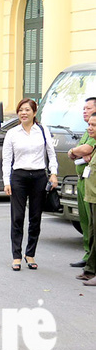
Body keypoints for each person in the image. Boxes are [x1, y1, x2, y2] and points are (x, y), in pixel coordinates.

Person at [2, 98, 58, 271]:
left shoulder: (42, 130)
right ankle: (16, 256)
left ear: (34, 112)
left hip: (39, 177)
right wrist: (6, 181)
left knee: (35, 218)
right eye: (20, 110)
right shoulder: (12, 133)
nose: (23, 113)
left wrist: (54, 173)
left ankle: (30, 253)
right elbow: (6, 159)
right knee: (17, 217)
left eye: (27, 110)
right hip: (19, 177)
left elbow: (51, 153)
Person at [68, 97, 96, 268]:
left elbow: (86, 149)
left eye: (88, 108)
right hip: (82, 179)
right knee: (85, 221)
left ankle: (91, 260)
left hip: (91, 182)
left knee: (92, 223)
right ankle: (88, 255)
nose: (84, 111)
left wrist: (74, 151)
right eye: (83, 108)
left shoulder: (93, 132)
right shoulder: (88, 131)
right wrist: (74, 152)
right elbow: (77, 152)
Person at [79, 113, 96, 286]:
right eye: (89, 124)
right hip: (91, 196)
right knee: (92, 234)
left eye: (94, 125)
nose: (90, 127)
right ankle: (90, 270)